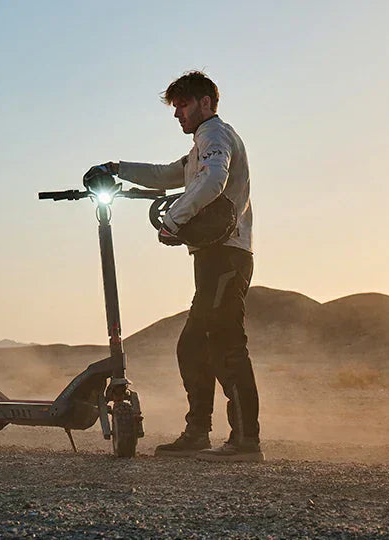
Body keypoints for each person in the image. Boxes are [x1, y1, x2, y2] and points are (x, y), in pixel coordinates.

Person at [88, 71, 262, 462]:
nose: (177, 114)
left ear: (205, 102)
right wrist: (118, 168)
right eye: (175, 107)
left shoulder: (215, 135)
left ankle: (245, 441)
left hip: (227, 255)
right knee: (194, 345)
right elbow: (170, 174)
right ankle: (198, 433)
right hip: (216, 255)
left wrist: (174, 220)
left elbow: (213, 181)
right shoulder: (203, 144)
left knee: (226, 345)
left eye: (183, 105)